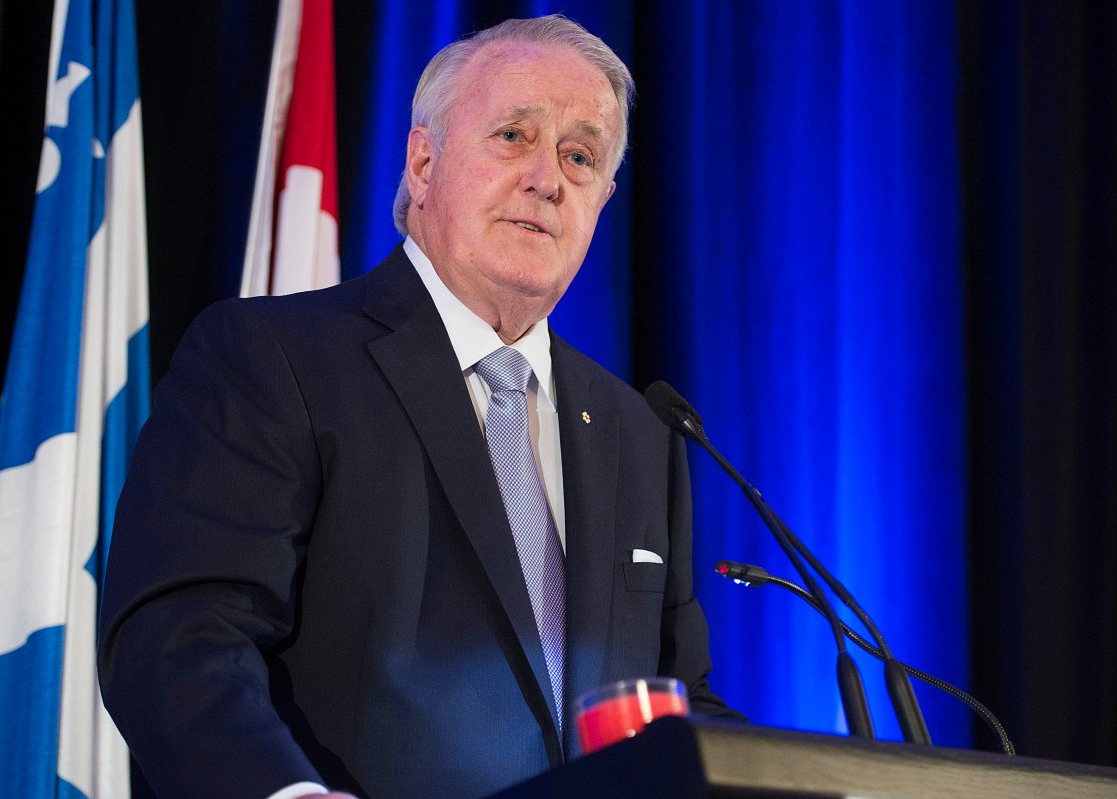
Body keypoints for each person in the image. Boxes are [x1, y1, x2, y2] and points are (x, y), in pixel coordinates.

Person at [98, 14, 739, 799]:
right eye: (513, 136)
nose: (548, 178)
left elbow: (679, 708)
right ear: (424, 161)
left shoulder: (640, 433)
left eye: (580, 156)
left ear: (602, 200)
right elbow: (182, 635)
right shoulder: (275, 360)